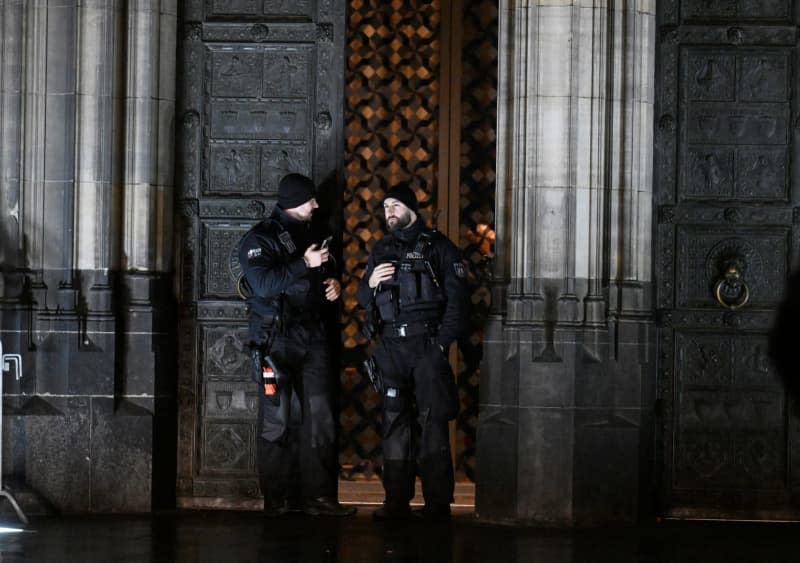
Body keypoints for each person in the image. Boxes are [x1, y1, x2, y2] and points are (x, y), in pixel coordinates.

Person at [238, 173, 355, 518]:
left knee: (320, 417)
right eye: (310, 200)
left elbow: (327, 267)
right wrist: (304, 263)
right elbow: (262, 283)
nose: (316, 205)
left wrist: (334, 281)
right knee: (278, 419)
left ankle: (319, 498)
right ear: (292, 202)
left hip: (314, 336)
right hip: (276, 338)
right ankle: (278, 500)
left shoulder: (316, 231)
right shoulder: (260, 238)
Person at [356, 184, 469, 520]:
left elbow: (459, 306)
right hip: (390, 348)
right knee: (394, 424)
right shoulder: (381, 249)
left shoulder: (439, 248)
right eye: (385, 206)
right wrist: (371, 283)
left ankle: (437, 506)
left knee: (433, 425)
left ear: (411, 208)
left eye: (395, 204)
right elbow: (363, 300)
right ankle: (396, 502)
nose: (389, 210)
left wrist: (438, 347)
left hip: (426, 346)